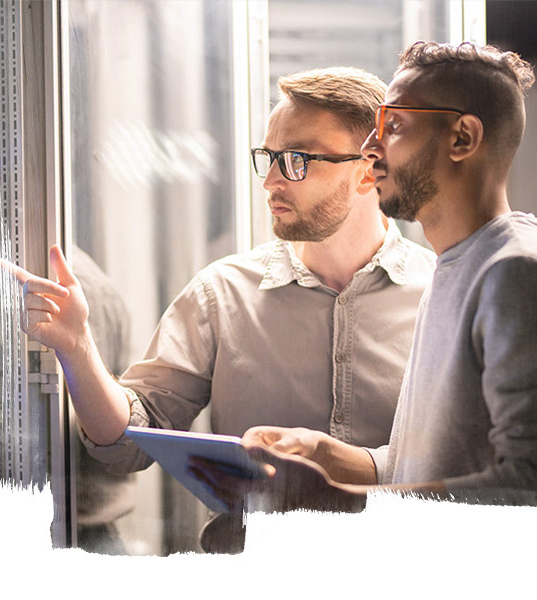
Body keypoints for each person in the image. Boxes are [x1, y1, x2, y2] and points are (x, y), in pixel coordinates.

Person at [0, 67, 437, 552]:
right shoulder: (221, 293)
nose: (270, 182)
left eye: (296, 160)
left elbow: (482, 461)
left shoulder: (443, 296)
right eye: (267, 158)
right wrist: (77, 350)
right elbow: (125, 442)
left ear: (369, 167)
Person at [191, 41, 537, 514]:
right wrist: (326, 455)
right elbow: (432, 463)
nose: (370, 150)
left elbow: (527, 486)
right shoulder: (456, 267)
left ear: (463, 138)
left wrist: (338, 500)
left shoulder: (514, 274)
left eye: (391, 127)